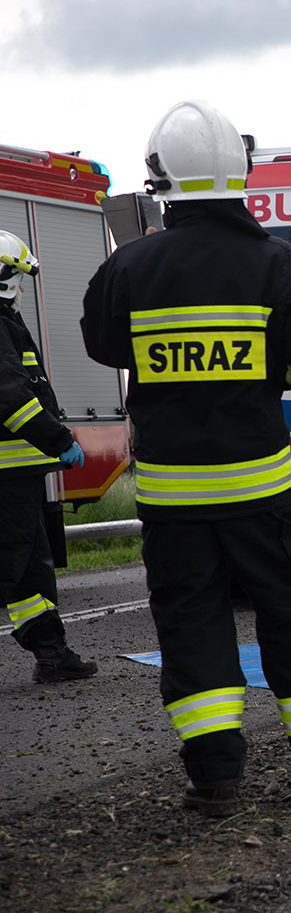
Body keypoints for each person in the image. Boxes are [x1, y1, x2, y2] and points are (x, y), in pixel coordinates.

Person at [81, 100, 291, 816]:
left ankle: (215, 778)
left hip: (173, 497)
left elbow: (103, 345)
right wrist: (263, 371)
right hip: (258, 486)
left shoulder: (131, 267)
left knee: (190, 622)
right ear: (239, 173)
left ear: (160, 179)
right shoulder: (281, 264)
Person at [1, 231, 96, 684]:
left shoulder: (5, 321)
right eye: (16, 277)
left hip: (18, 472)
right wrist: (57, 439)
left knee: (30, 566)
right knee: (9, 562)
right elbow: (12, 398)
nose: (20, 288)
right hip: (4, 474)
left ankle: (51, 652)